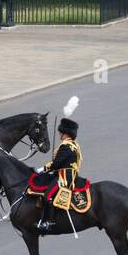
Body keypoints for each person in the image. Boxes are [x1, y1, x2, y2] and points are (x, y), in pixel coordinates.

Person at [32, 97, 83, 232]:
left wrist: (44, 168)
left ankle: (48, 222)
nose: (59, 133)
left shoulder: (66, 146)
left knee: (48, 195)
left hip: (64, 177)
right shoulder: (74, 145)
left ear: (65, 133)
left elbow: (58, 163)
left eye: (61, 132)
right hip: (65, 173)